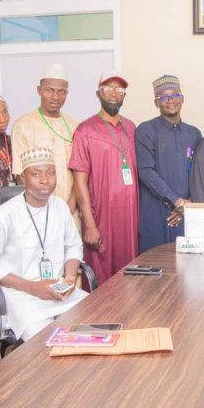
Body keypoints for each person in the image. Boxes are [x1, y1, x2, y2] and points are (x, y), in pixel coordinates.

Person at [0, 147, 88, 341]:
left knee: (95, 320)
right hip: (17, 294)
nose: (45, 180)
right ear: (23, 179)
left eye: (51, 173)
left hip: (57, 290)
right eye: (36, 174)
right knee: (48, 342)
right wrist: (32, 287)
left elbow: (73, 245)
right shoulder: (4, 216)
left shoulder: (60, 206)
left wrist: (69, 277)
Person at [70, 71, 139, 284]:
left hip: (129, 218)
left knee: (130, 276)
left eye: (119, 90)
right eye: (107, 89)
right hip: (101, 216)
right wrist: (89, 224)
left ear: (124, 96)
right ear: (98, 94)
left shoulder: (131, 127)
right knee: (101, 277)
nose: (113, 94)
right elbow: (79, 180)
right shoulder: (85, 130)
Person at [136, 75, 201, 253]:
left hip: (186, 213)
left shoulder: (194, 133)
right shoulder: (145, 130)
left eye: (175, 95)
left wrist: (189, 203)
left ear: (183, 99)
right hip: (156, 212)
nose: (170, 100)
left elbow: (199, 174)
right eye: (163, 97)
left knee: (187, 269)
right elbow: (146, 171)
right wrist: (175, 200)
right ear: (156, 103)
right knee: (155, 267)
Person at [11, 63, 78, 219]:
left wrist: (69, 208)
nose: (56, 97)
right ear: (39, 90)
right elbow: (20, 176)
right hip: (37, 212)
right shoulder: (23, 125)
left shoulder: (75, 126)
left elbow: (80, 174)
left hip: (71, 211)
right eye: (49, 90)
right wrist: (41, 210)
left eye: (61, 92)